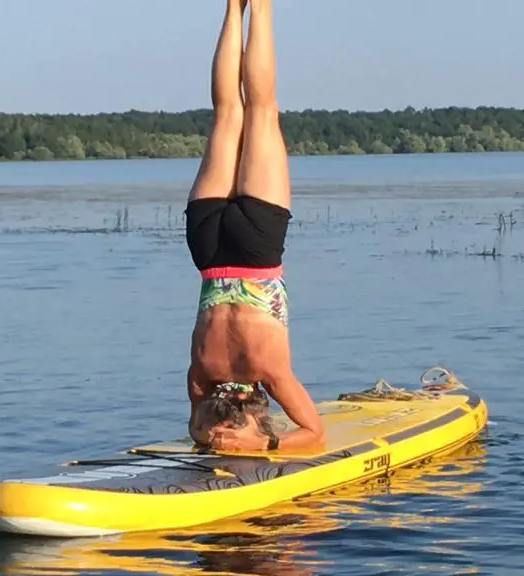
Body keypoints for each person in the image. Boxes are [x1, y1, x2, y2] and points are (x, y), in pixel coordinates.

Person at [184, 0, 325, 453]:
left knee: (261, 111)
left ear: (259, 409)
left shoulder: (269, 372)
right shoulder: (201, 373)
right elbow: (197, 429)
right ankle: (232, 8)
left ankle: (254, 8)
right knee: (228, 112)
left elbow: (311, 432)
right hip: (208, 252)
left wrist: (266, 446)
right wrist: (237, 441)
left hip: (255, 251)